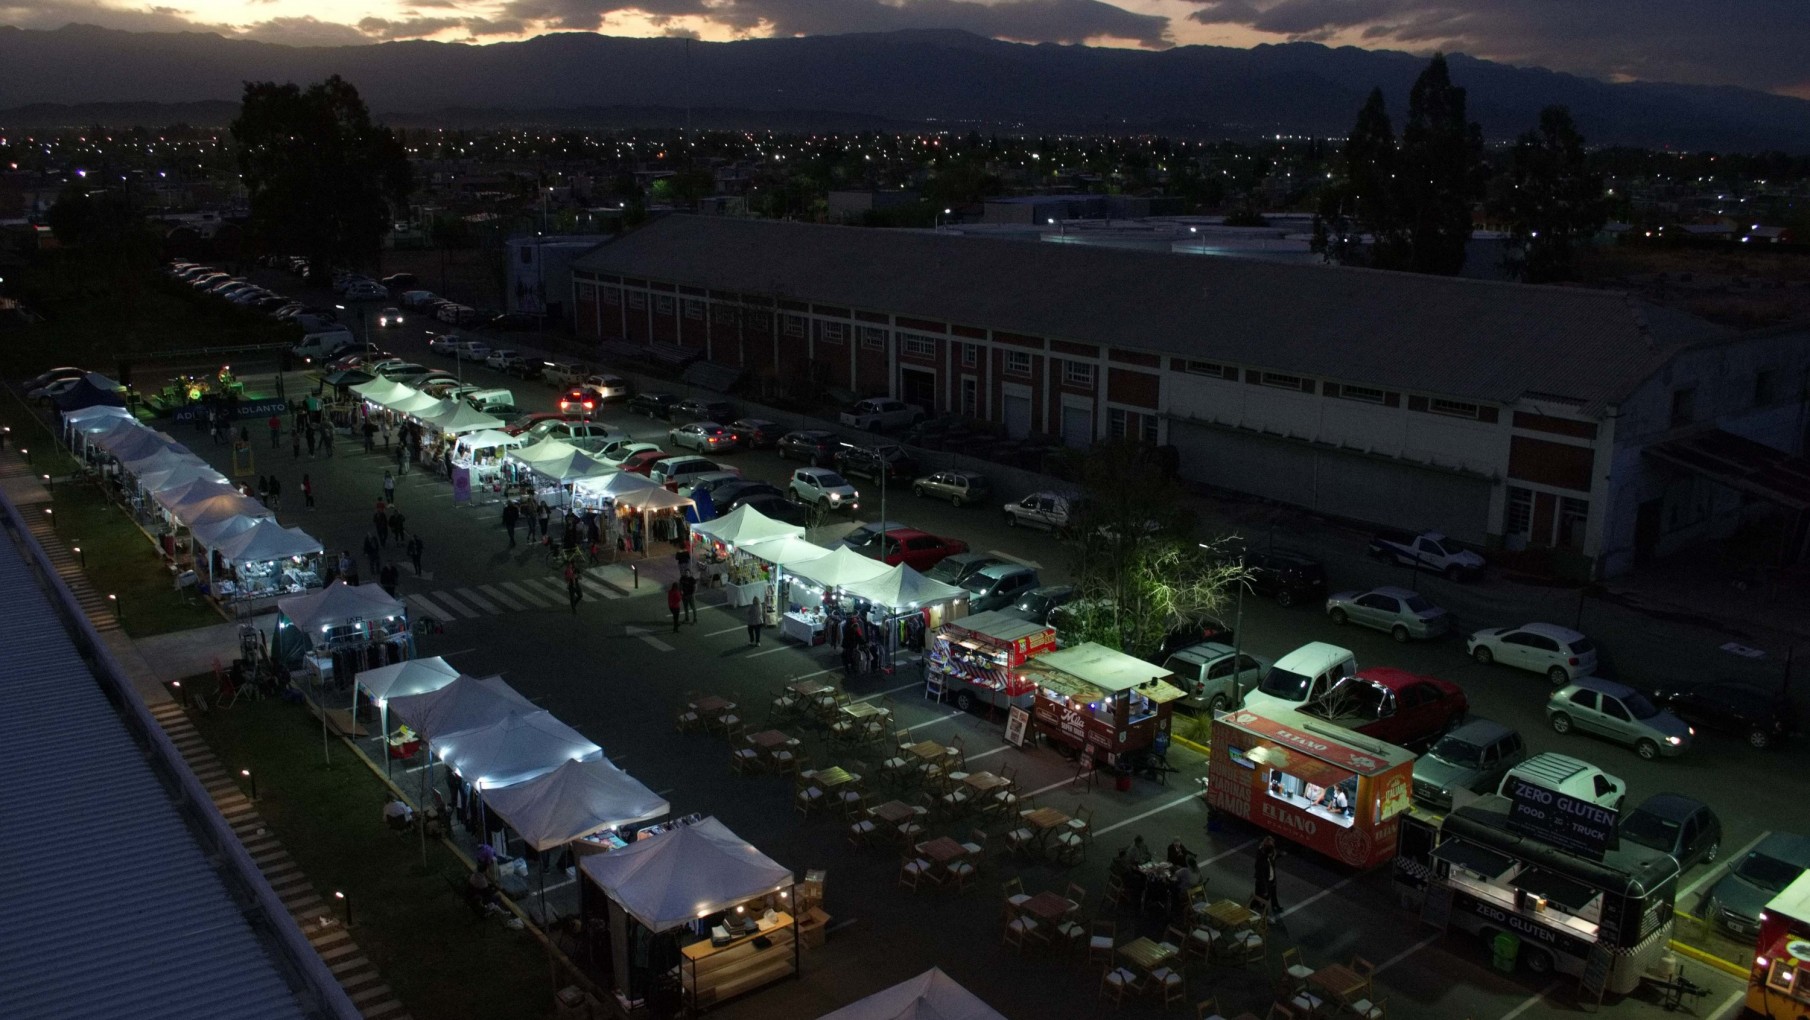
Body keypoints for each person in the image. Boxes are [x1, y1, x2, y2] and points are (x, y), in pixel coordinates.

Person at [1254, 836, 1283, 917]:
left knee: (1272, 894)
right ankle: (1263, 917)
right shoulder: (1261, 858)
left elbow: (1273, 859)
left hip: (1271, 879)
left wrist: (1279, 855)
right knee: (1263, 899)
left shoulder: (1269, 854)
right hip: (1265, 882)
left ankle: (1274, 906)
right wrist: (1265, 889)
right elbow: (1261, 876)